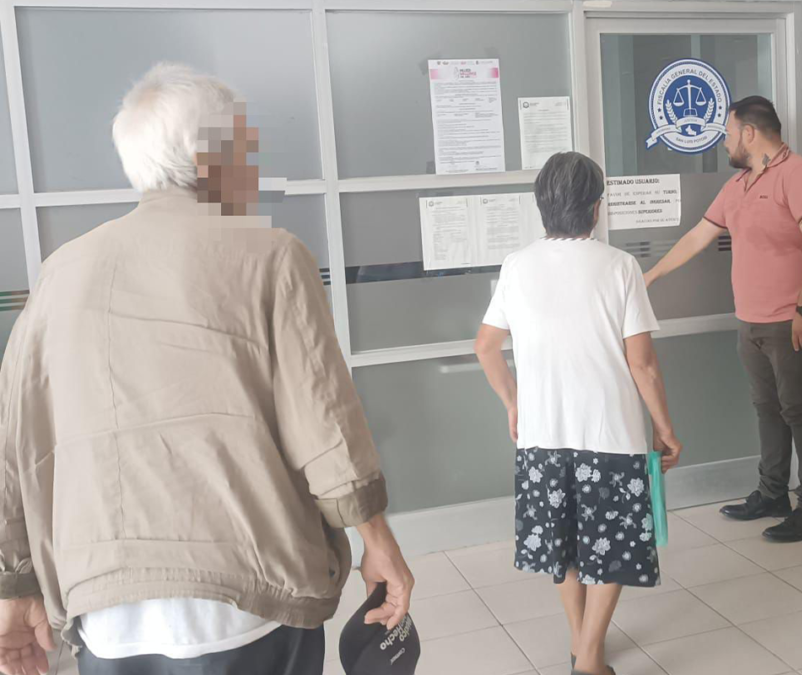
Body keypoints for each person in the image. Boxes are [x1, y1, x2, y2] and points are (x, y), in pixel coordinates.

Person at [0, 63, 413, 675]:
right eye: (246, 148)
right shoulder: (271, 256)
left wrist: (15, 585)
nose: (254, 166)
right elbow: (325, 425)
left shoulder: (61, 272)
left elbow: (17, 444)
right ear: (212, 156)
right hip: (247, 598)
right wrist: (378, 542)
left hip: (106, 610)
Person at [474, 152, 682, 675]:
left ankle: (579, 642)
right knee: (610, 549)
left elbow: (485, 346)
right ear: (594, 207)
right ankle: (590, 658)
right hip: (611, 436)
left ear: (542, 206)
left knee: (561, 546)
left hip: (542, 436)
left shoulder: (517, 265)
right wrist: (665, 429)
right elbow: (643, 364)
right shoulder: (620, 266)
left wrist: (514, 403)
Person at [643, 96, 802, 543]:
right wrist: (649, 276)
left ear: (750, 133)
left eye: (729, 134)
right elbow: (698, 236)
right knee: (768, 409)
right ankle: (772, 494)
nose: (725, 143)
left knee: (800, 411)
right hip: (751, 321)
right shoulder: (739, 185)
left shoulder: (801, 175)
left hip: (792, 321)